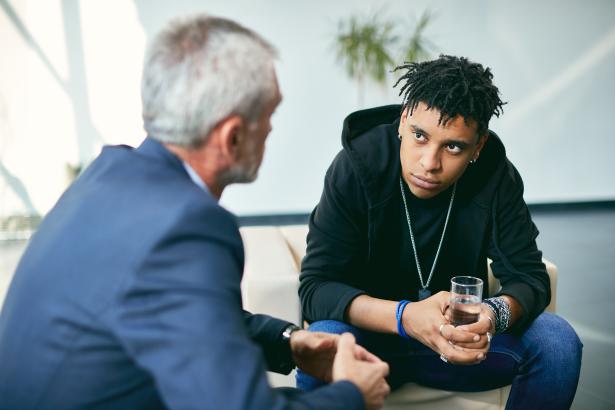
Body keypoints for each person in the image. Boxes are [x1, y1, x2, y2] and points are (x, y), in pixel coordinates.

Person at [0, 15, 391, 410]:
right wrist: (354, 396)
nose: (272, 130)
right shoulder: (189, 229)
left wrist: (287, 342)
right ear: (232, 136)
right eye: (270, 115)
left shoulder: (109, 173)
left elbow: (170, 311)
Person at [297, 55, 583, 409]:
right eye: (419, 136)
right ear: (403, 121)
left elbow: (530, 277)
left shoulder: (495, 176)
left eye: (453, 147)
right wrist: (404, 317)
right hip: (371, 346)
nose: (429, 163)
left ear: (477, 148)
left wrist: (492, 315)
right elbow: (316, 288)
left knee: (557, 342)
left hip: (460, 345)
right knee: (324, 338)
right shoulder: (358, 166)